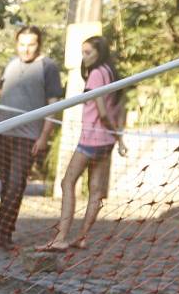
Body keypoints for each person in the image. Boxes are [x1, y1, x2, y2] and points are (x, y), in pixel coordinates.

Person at [38, 35, 127, 252]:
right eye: (83, 53)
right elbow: (119, 110)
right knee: (95, 190)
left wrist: (116, 135)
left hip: (92, 140)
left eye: (88, 53)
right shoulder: (111, 73)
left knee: (67, 182)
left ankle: (61, 237)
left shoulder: (97, 74)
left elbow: (103, 111)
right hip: (106, 142)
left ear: (100, 52)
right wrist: (118, 138)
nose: (85, 57)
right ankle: (83, 237)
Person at [0, 25, 64, 249]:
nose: (26, 49)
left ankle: (4, 234)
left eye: (31, 45)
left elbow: (53, 104)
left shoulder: (48, 67)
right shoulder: (11, 64)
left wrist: (44, 136)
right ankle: (0, 232)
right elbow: (6, 95)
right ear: (17, 44)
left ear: (39, 45)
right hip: (4, 131)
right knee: (6, 184)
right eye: (22, 44)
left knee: (16, 185)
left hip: (28, 136)